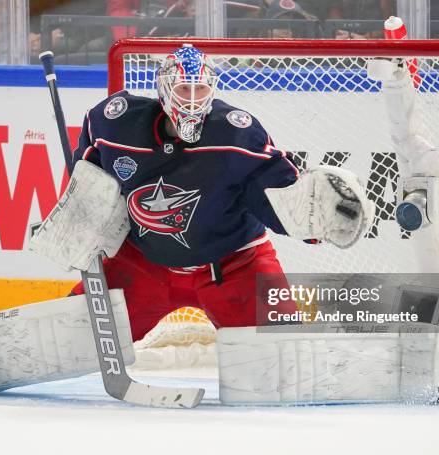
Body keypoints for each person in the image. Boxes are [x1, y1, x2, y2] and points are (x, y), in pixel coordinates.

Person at [32, 45, 374, 343]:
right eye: (184, 89)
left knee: (283, 356)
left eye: (200, 89)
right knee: (68, 339)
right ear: (164, 90)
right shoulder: (115, 123)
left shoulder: (235, 133)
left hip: (232, 266)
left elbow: (278, 196)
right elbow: (90, 172)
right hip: (142, 264)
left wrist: (314, 218)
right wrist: (82, 210)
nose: (193, 100)